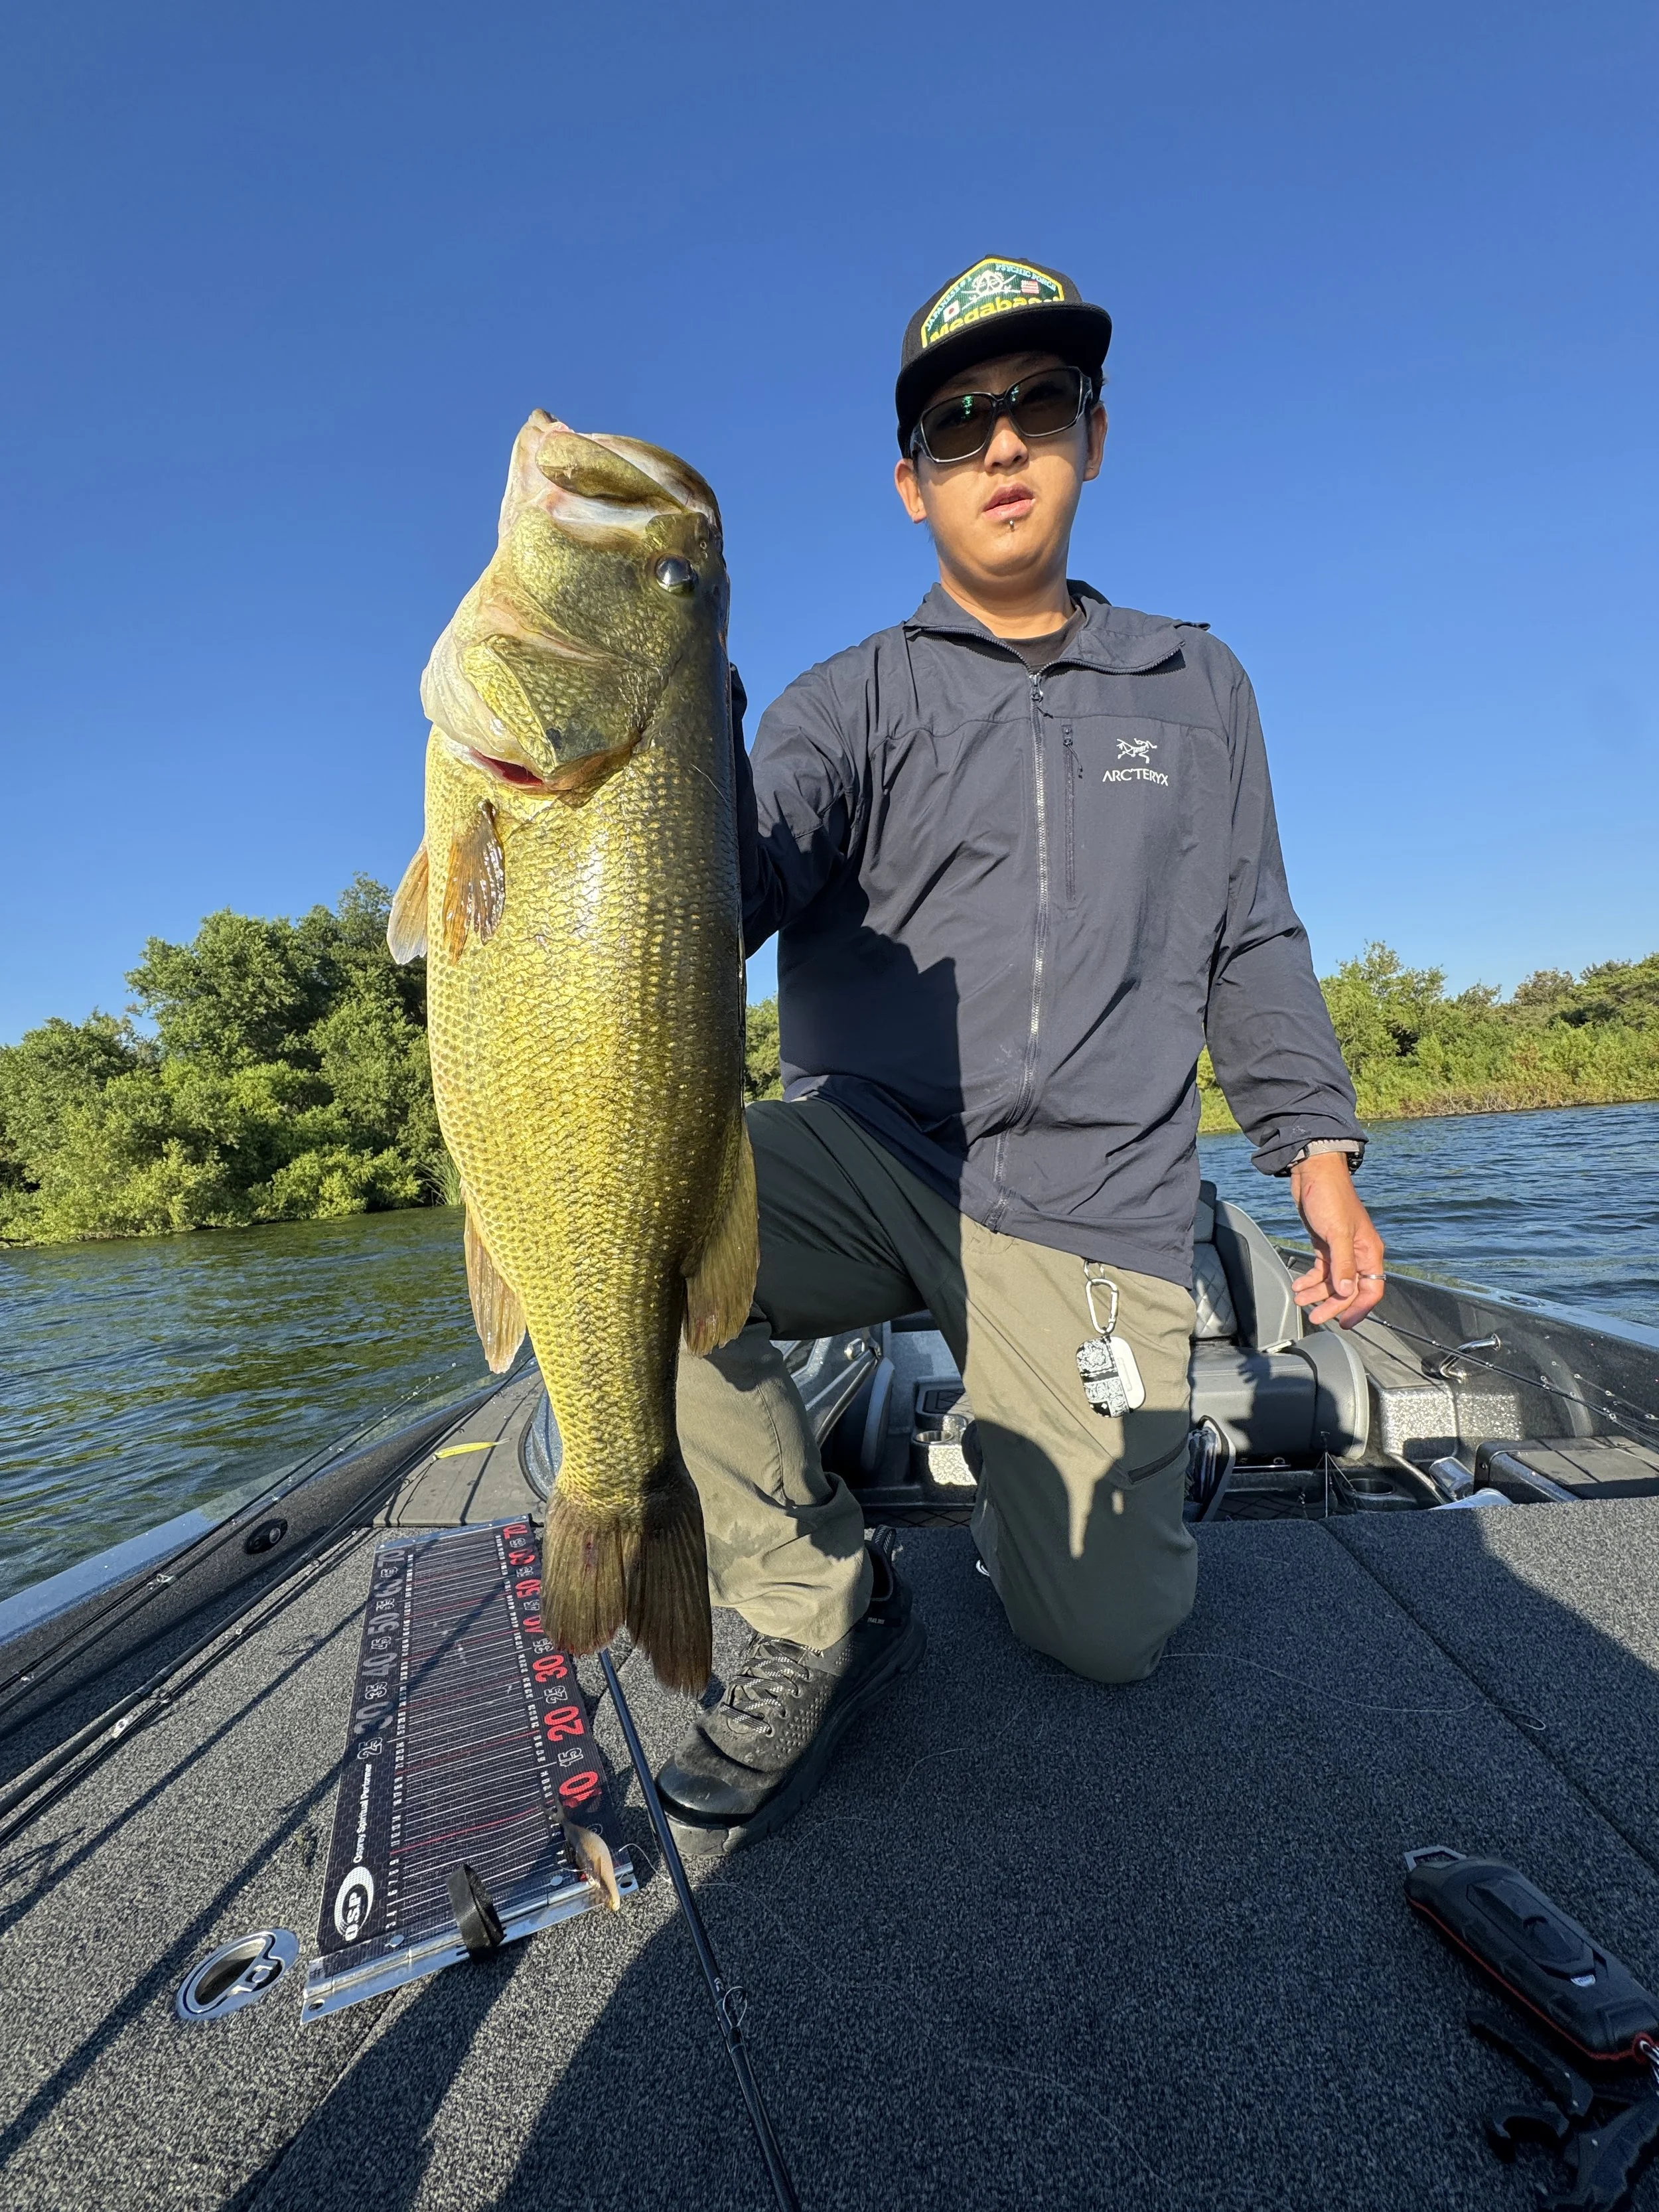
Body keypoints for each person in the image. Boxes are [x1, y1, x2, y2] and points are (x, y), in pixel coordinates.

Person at [656, 255, 1385, 1854]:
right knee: (621, 1244)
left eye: (1036, 406)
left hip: (1090, 1197)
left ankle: (1037, 1457)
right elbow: (737, 882)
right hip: (868, 1158)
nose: (1001, 443)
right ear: (907, 482)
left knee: (1106, 1639)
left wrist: (1312, 1156)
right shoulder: (839, 698)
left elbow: (1250, 935)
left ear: (1091, 441)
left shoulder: (1199, 683)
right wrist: (668, 712)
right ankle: (809, 1601)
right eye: (957, 422)